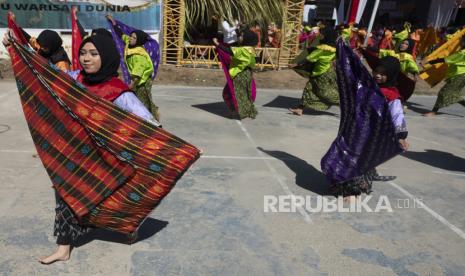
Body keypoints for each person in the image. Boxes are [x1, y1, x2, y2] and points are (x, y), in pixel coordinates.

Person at [3, 31, 162, 264]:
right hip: (74, 153)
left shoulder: (119, 92)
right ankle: (63, 248)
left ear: (106, 57)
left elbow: (148, 124)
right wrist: (16, 47)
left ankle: (126, 226)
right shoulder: (75, 78)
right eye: (84, 53)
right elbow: (44, 72)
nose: (86, 58)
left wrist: (173, 148)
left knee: (113, 195)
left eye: (94, 54)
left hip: (105, 157)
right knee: (65, 194)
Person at [107, 15, 160, 122]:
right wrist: (114, 23)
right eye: (131, 36)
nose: (131, 38)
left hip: (143, 82)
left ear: (139, 40)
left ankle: (151, 121)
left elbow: (137, 75)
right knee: (137, 101)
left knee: (143, 102)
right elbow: (121, 35)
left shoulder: (138, 55)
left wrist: (130, 86)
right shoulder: (129, 43)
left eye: (134, 38)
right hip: (137, 79)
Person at [288, 27, 339, 116]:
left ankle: (344, 104)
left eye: (322, 34)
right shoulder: (334, 48)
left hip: (321, 74)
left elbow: (310, 58)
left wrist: (296, 64)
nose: (321, 36)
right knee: (309, 89)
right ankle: (300, 109)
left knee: (326, 93)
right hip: (327, 71)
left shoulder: (323, 48)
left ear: (327, 36)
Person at [214, 29, 259, 119]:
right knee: (244, 94)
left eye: (241, 36)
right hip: (246, 74)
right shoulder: (250, 49)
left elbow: (229, 51)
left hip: (239, 75)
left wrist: (217, 44)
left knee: (233, 94)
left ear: (247, 39)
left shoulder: (243, 50)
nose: (239, 37)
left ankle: (236, 112)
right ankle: (244, 111)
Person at [423, 36, 465, 117]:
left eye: (462, 40)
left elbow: (446, 59)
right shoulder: (461, 51)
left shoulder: (462, 53)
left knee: (444, 93)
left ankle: (433, 112)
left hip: (460, 75)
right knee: (452, 93)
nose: (460, 42)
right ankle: (434, 112)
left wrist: (430, 62)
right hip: (458, 75)